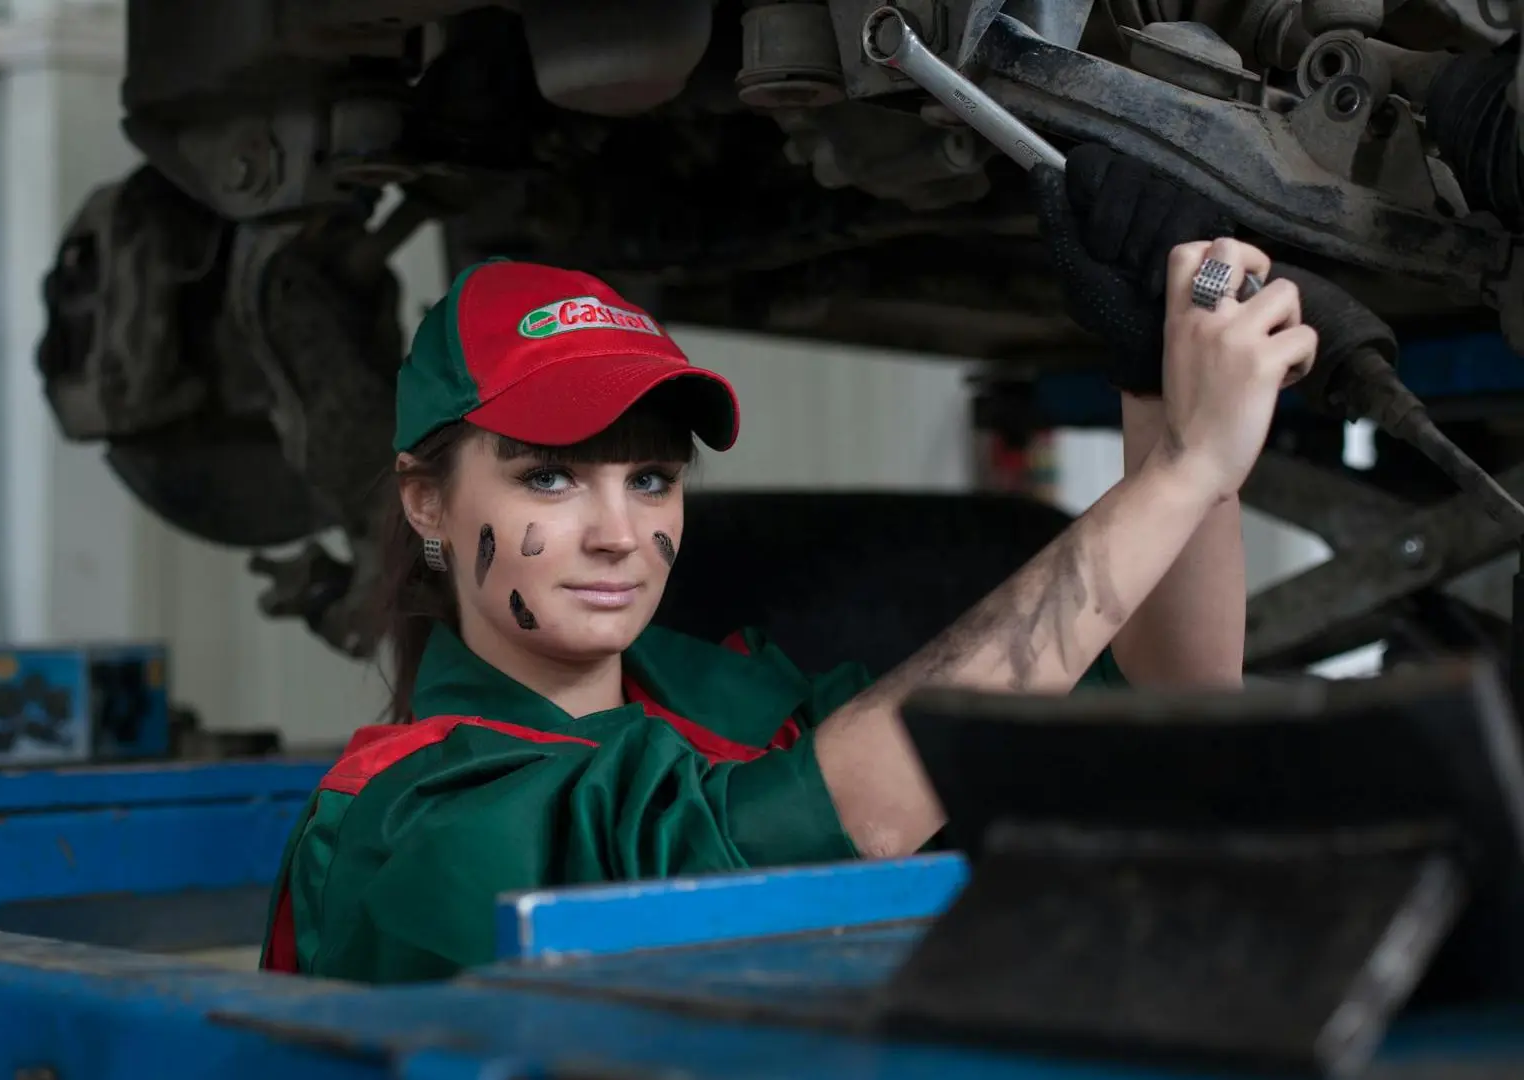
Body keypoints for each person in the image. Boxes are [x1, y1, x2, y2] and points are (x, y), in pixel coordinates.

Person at [258, 145, 1323, 984]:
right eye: (550, 479)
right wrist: (1179, 473)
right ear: (429, 501)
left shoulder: (724, 694)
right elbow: (796, 833)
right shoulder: (407, 819)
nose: (619, 532)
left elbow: (1161, 710)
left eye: (650, 479)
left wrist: (1155, 387)